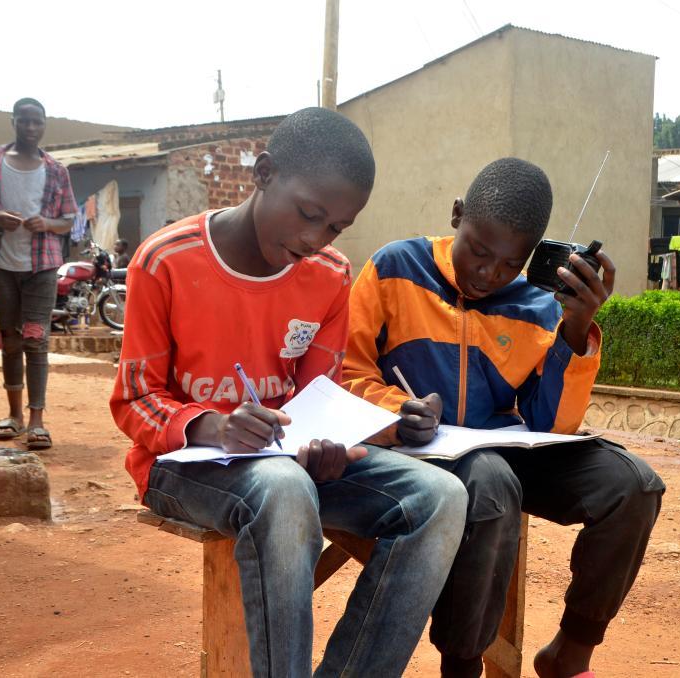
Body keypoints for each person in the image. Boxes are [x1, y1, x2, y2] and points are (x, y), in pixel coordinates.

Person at [109, 107, 467, 678]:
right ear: (264, 172)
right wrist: (213, 426)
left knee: (441, 497)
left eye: (335, 228)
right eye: (309, 214)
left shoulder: (329, 274)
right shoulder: (166, 261)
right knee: (282, 487)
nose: (315, 238)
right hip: (181, 465)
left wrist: (329, 445)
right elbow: (134, 399)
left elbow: (316, 397)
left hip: (286, 465)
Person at [343, 157, 666, 678]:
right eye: (479, 250)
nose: (489, 273)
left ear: (532, 256)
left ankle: (570, 653)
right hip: (416, 447)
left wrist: (576, 327)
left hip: (502, 446)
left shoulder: (538, 302)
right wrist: (396, 411)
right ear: (457, 215)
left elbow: (551, 424)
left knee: (634, 486)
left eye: (510, 263)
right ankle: (462, 666)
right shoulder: (394, 268)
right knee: (490, 484)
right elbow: (346, 371)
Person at [0, 97, 78, 450]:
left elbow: (68, 220)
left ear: (44, 124)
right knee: (10, 337)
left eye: (36, 121)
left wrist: (48, 223)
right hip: (1, 263)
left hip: (42, 265)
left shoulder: (56, 169)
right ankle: (14, 415)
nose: (30, 127)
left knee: (35, 339)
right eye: (24, 121)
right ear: (13, 122)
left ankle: (37, 419)